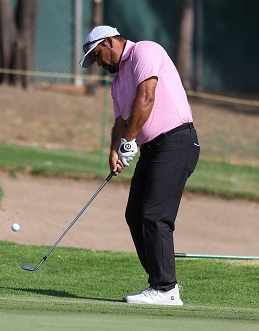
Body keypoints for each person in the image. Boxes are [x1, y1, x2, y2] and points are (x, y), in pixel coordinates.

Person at [79, 26, 200, 306]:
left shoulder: (145, 50)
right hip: (153, 149)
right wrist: (115, 149)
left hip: (177, 141)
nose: (98, 63)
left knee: (154, 215)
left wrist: (129, 142)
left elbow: (147, 97)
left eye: (97, 55)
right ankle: (161, 282)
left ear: (109, 42)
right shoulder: (117, 82)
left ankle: (165, 289)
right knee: (135, 215)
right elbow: (121, 121)